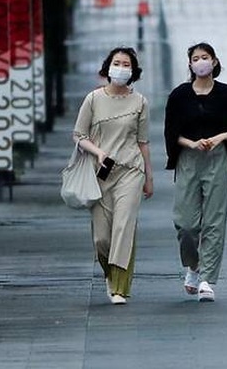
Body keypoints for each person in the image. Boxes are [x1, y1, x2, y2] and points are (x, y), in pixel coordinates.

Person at [164, 42, 227, 302]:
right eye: (196, 58)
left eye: (205, 57)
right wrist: (191, 143)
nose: (201, 61)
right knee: (187, 224)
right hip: (189, 159)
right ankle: (193, 265)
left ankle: (206, 279)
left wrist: (220, 137)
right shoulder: (180, 95)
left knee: (214, 220)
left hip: (217, 159)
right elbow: (170, 132)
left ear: (214, 61)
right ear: (189, 64)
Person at [73, 47, 153, 305]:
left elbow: (143, 142)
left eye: (126, 64)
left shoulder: (140, 102)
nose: (120, 67)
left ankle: (120, 288)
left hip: (131, 170)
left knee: (123, 226)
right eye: (116, 63)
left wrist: (149, 177)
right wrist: (98, 153)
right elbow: (79, 135)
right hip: (101, 174)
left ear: (133, 71)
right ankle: (110, 273)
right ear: (108, 67)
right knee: (101, 238)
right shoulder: (93, 99)